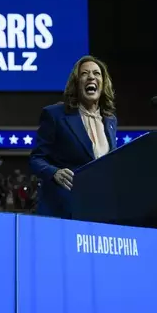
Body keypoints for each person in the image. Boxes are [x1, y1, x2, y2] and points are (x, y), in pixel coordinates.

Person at [30, 55, 118, 219]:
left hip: (101, 210)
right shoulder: (55, 115)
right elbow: (36, 159)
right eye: (84, 73)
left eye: (96, 73)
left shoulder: (110, 120)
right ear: (76, 83)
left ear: (103, 83)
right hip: (64, 211)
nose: (91, 77)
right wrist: (54, 172)